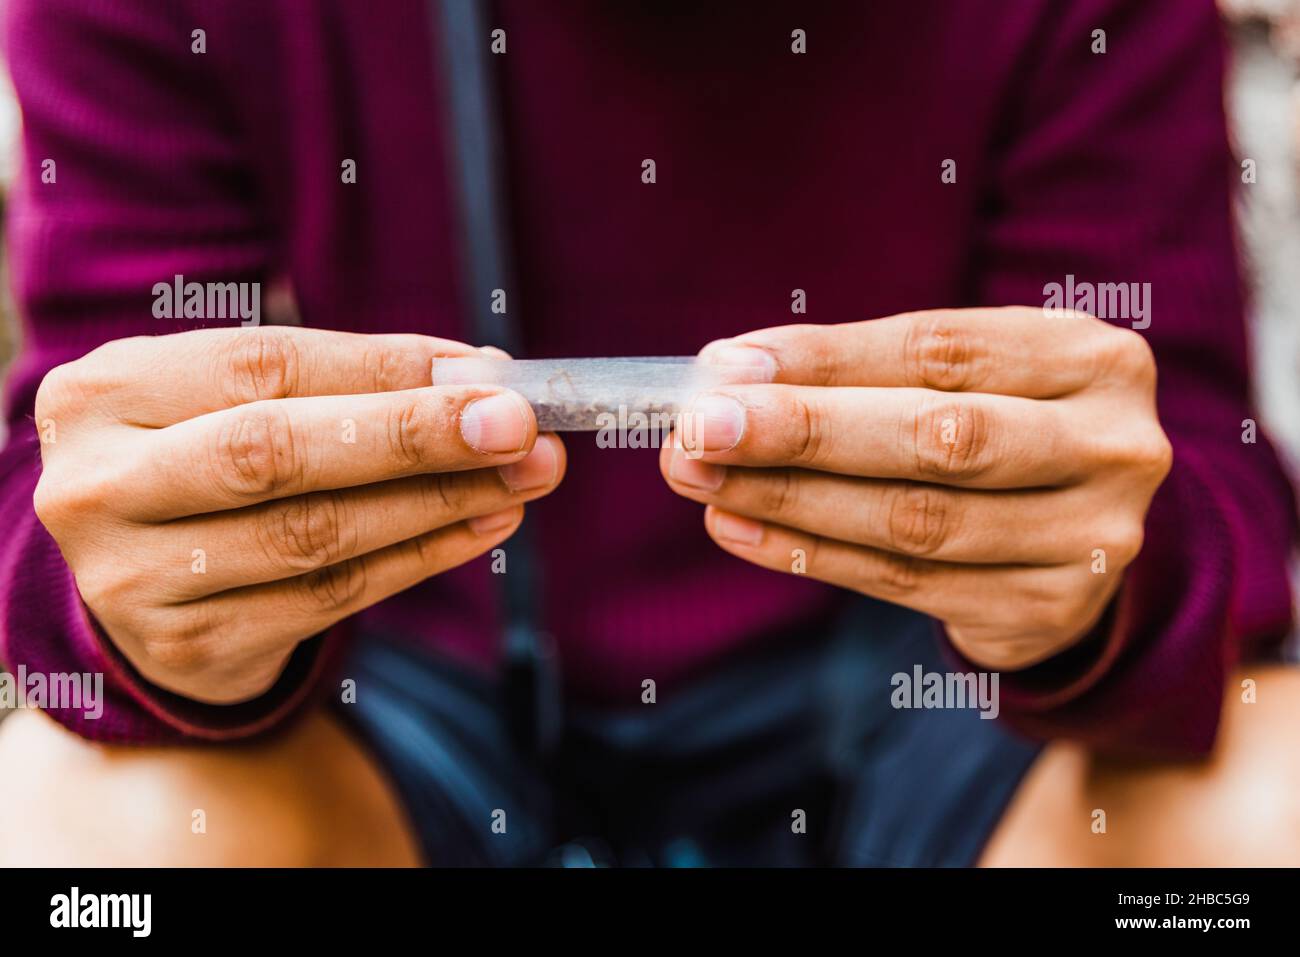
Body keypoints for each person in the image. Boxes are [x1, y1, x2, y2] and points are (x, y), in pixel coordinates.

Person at [1, 0, 1298, 867]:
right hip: (387, 698)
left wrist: (1097, 584)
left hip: (955, 700)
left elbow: (1202, 466)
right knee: (82, 849)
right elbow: (76, 481)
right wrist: (165, 621)